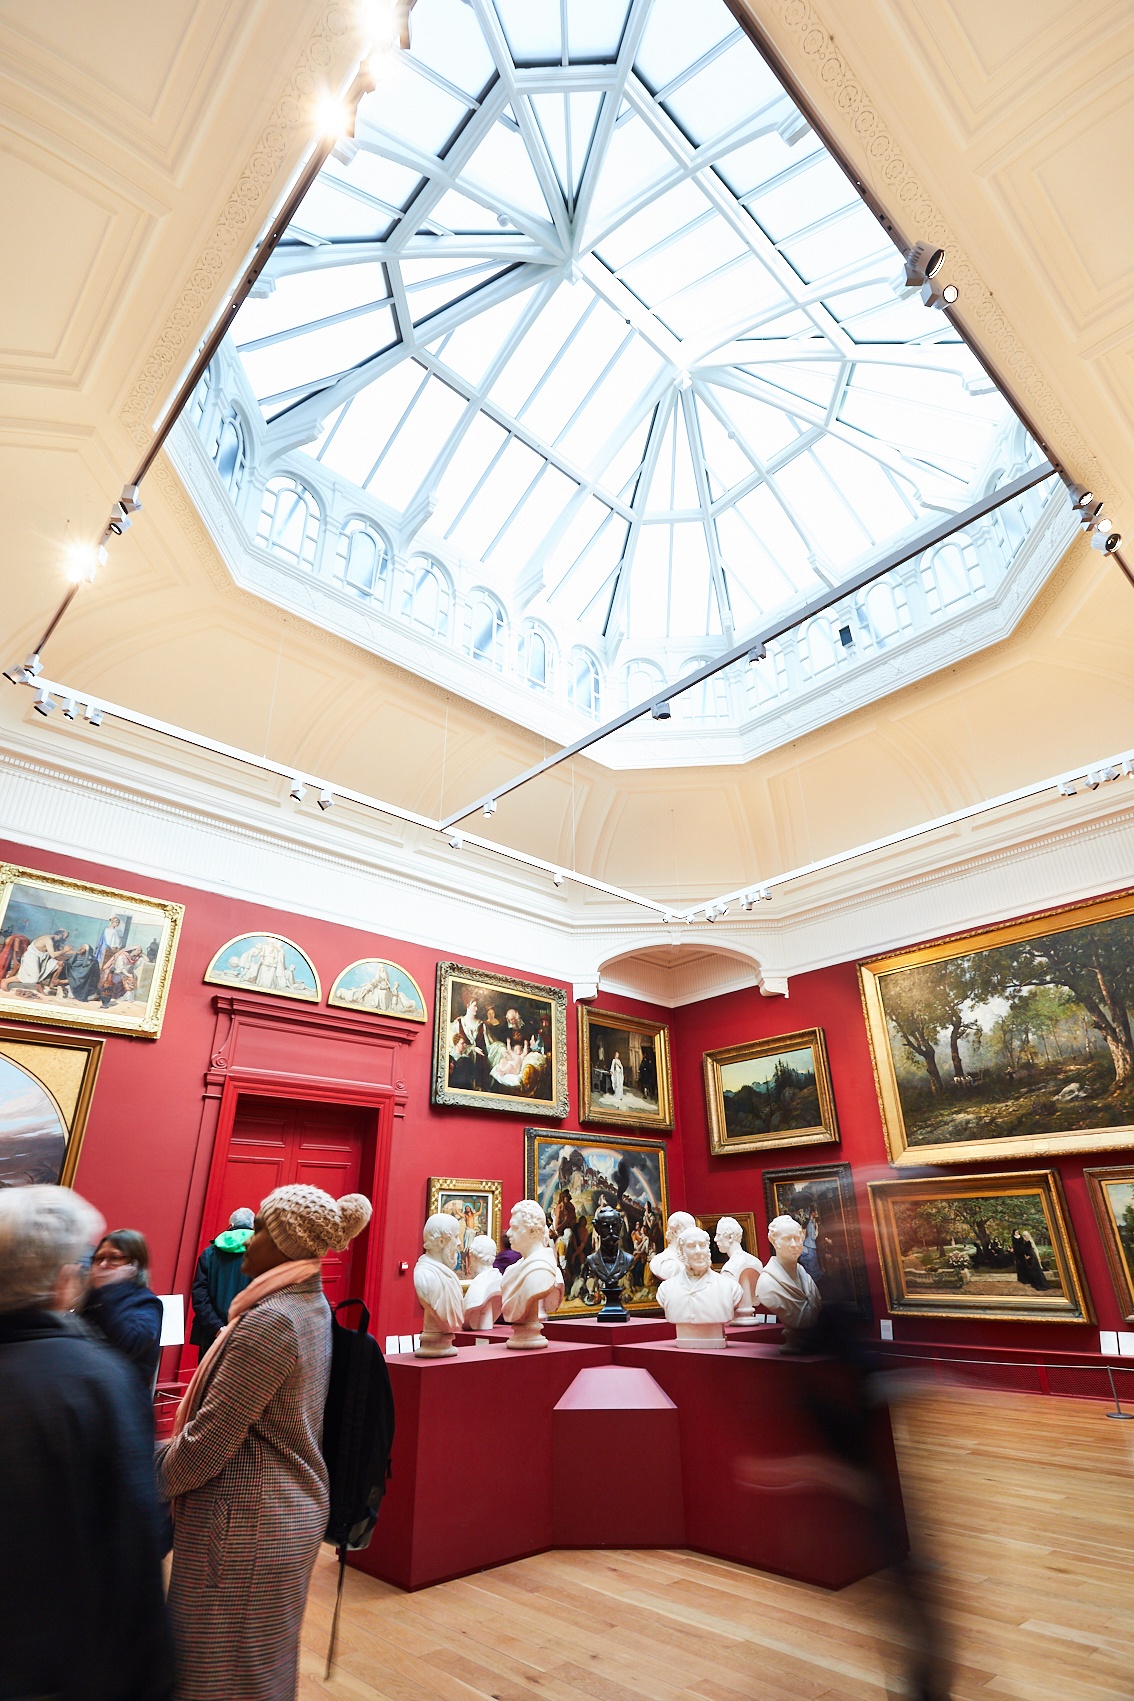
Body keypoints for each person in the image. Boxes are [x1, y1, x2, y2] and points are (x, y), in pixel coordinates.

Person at [159, 1183, 372, 1701]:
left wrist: (143, 1473)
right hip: (280, 1514)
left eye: (258, 1230)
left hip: (245, 1526)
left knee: (215, 1677)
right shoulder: (309, 1303)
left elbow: (209, 1443)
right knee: (256, 1669)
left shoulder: (273, 1320)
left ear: (285, 1243)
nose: (246, 1241)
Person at [0, 1184, 175, 1701]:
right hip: (62, 1663)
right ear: (61, 1279)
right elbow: (130, 1547)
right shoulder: (98, 1381)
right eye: (89, 1260)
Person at [81, 1227, 164, 1390]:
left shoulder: (147, 1303)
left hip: (119, 1398)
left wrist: (111, 1290)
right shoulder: (91, 1298)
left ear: (134, 1264)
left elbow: (125, 1347)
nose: (103, 1265)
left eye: (114, 1258)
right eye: (99, 1258)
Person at [189, 1206, 255, 1352]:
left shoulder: (209, 1254)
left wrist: (217, 1328)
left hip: (211, 1336)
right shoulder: (264, 1255)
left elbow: (200, 1296)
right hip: (248, 1338)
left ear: (231, 1225)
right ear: (252, 1226)